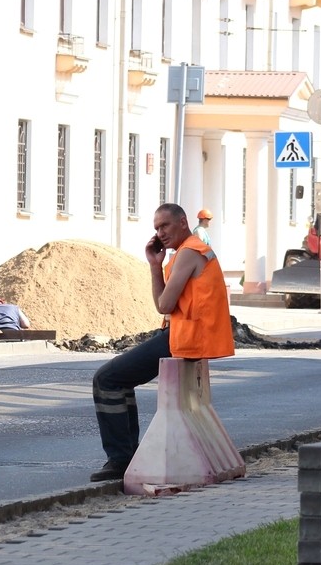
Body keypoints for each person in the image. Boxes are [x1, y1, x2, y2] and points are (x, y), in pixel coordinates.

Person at [89, 203, 234, 481]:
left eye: (164, 226)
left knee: (107, 379)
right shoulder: (186, 251)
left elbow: (164, 303)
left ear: (183, 222)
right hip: (185, 335)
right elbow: (163, 306)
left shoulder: (189, 251)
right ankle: (124, 457)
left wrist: (158, 270)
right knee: (117, 379)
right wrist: (155, 265)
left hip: (186, 338)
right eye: (156, 228)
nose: (160, 233)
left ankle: (121, 459)